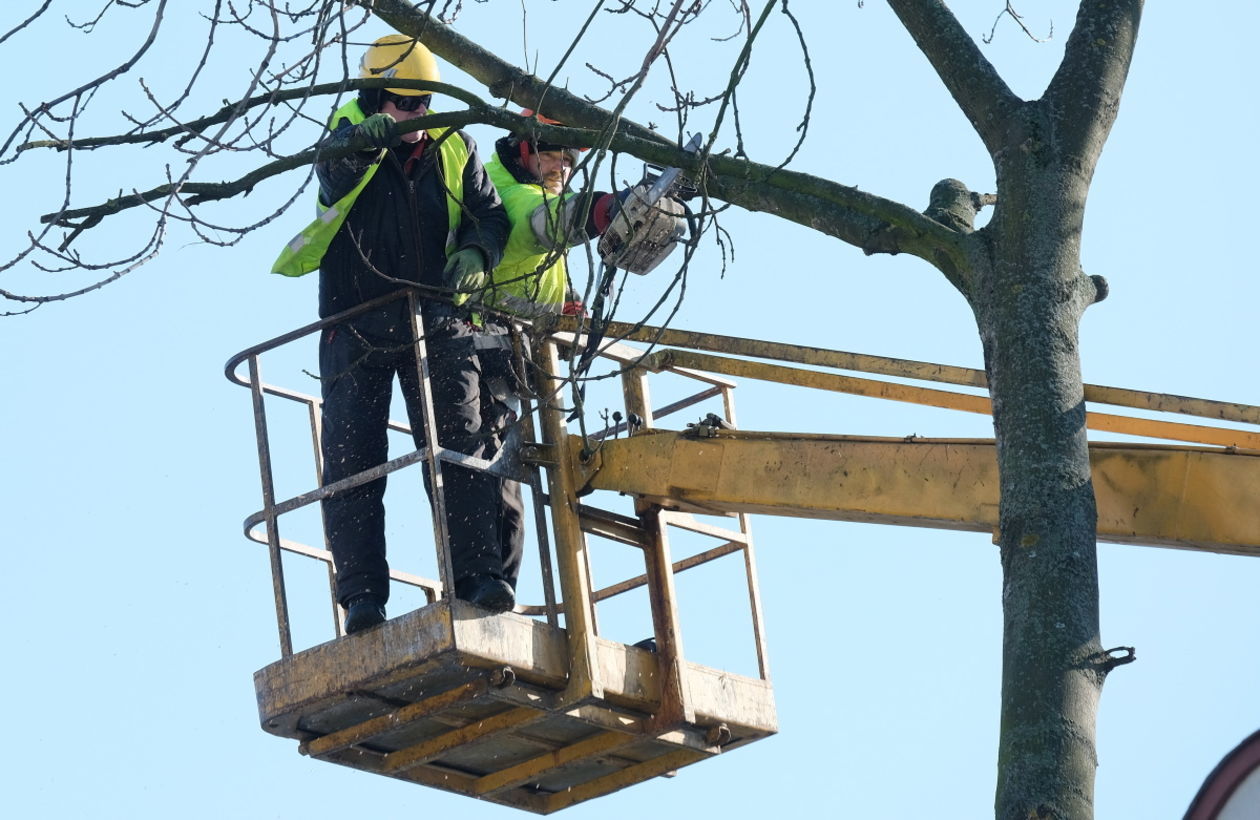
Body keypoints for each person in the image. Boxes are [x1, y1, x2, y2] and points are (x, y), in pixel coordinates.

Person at [272, 35, 515, 633]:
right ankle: (362, 598)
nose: (419, 117)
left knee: (460, 447)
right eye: (405, 105)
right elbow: (333, 175)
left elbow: (490, 214)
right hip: (357, 325)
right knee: (356, 463)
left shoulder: (455, 144)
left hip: (436, 321)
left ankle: (478, 579)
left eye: (425, 104)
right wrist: (363, 144)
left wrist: (480, 252)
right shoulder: (349, 134)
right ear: (378, 99)